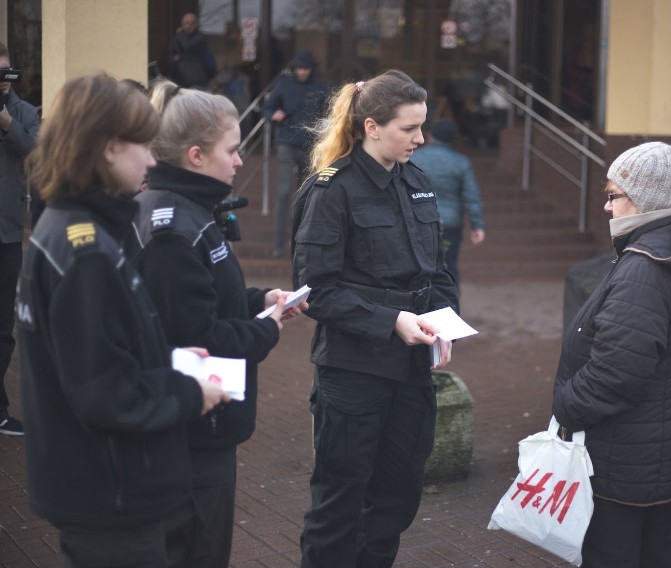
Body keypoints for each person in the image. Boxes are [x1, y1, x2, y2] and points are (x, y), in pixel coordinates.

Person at [17, 73, 229, 567]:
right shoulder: (86, 251)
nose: (152, 159)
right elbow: (108, 393)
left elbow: (93, 352)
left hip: (97, 484)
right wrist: (192, 391)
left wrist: (169, 359)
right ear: (110, 148)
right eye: (142, 145)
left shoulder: (70, 230)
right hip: (109, 490)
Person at [133, 79, 306, 568]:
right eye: (231, 150)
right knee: (197, 551)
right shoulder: (173, 227)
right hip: (192, 430)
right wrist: (267, 328)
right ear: (194, 155)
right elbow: (196, 338)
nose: (239, 160)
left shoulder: (190, 212)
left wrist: (257, 301)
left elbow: (203, 301)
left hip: (201, 425)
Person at [291, 69, 459, 568]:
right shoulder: (330, 190)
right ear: (371, 127)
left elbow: (437, 270)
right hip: (353, 373)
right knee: (339, 504)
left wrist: (444, 321)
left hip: (409, 372)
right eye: (409, 128)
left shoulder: (417, 182)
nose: (420, 138)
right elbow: (315, 292)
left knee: (397, 498)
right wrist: (392, 320)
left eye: (422, 126)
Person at [552, 142, 671, 568]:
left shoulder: (646, 268)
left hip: (626, 458)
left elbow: (614, 376)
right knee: (655, 548)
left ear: (644, 201)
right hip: (658, 453)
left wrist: (565, 405)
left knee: (613, 553)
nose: (606, 207)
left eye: (613, 195)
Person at [0, 41, 39, 436]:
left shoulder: (25, 113)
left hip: (7, 231)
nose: (3, 81)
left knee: (1, 327)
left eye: (7, 72)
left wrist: (7, 125)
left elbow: (38, 152)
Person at [263, 49, 327, 258]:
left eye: (305, 69)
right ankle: (278, 242)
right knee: (283, 192)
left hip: (309, 144)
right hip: (286, 142)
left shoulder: (319, 88)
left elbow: (328, 113)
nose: (302, 72)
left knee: (306, 193)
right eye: (299, 68)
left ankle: (300, 239)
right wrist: (274, 115)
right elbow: (268, 109)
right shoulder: (283, 85)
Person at [414, 117, 485, 287]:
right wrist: (477, 225)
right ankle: (450, 305)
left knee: (419, 264)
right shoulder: (461, 162)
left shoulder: (415, 157)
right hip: (450, 225)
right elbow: (471, 195)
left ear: (432, 136)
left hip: (420, 221)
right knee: (448, 265)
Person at [167, 12, 216, 90]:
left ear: (196, 25)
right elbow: (169, 60)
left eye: (192, 23)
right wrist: (174, 61)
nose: (189, 26)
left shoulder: (200, 38)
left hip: (198, 83)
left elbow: (187, 46)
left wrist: (180, 34)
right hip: (179, 83)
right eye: (186, 23)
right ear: (182, 24)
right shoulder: (175, 41)